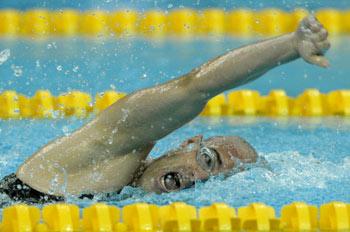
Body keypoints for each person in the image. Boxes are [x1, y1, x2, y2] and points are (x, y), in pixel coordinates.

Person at [0, 15, 330, 203]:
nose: (199, 178)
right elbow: (195, 87)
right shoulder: (108, 149)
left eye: (214, 179)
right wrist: (289, 46)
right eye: (208, 159)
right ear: (187, 144)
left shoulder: (131, 203)